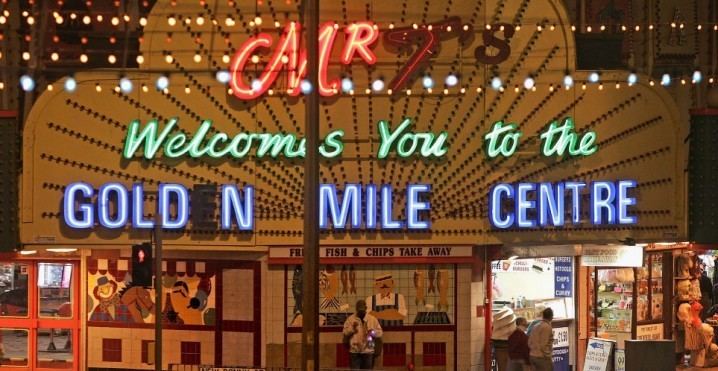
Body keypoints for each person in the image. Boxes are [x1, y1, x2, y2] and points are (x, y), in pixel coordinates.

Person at [343, 300, 383, 369]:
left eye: (362, 310)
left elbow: (380, 333)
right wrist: (352, 329)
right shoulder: (350, 319)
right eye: (359, 310)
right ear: (356, 309)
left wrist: (372, 332)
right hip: (354, 351)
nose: (361, 312)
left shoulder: (372, 319)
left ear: (366, 308)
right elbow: (345, 332)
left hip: (368, 350)